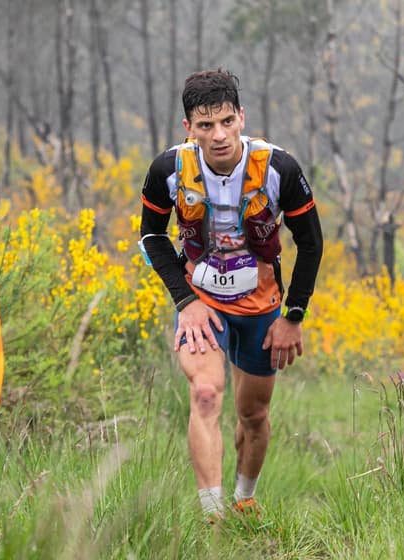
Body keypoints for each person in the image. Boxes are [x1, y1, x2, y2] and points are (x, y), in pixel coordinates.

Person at [138, 69, 323, 521]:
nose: (218, 135)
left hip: (262, 307)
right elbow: (151, 237)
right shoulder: (169, 169)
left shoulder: (280, 168)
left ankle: (244, 498)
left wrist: (292, 316)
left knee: (253, 415)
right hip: (202, 305)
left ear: (241, 117)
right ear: (189, 129)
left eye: (225, 122)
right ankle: (212, 518)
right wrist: (186, 302)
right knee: (204, 393)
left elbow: (311, 241)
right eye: (205, 126)